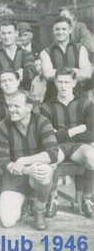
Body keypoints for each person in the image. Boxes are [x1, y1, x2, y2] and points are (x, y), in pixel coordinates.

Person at [0, 90, 59, 230]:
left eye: (16, 106)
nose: (11, 110)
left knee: (44, 170)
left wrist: (23, 160)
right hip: (15, 176)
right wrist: (25, 170)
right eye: (10, 106)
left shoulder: (42, 122)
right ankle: (25, 202)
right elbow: (3, 160)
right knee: (7, 221)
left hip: (35, 174)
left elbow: (53, 154)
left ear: (29, 107)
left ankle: (39, 210)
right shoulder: (2, 126)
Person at [40, 67, 94, 219]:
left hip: (79, 148)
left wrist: (61, 134)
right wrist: (75, 130)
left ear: (74, 83)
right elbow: (47, 137)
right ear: (55, 83)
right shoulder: (46, 107)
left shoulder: (86, 104)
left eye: (67, 82)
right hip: (58, 147)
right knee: (51, 158)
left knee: (92, 157)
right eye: (60, 82)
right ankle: (53, 199)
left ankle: (87, 199)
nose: (63, 86)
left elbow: (92, 133)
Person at [40, 16, 92, 102]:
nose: (60, 32)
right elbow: (48, 74)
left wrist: (57, 73)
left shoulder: (80, 49)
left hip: (77, 97)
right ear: (53, 31)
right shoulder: (46, 52)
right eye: (57, 29)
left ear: (70, 30)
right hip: (53, 98)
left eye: (64, 29)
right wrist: (75, 71)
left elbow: (87, 73)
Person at [0, 20, 37, 96]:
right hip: (1, 101)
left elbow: (30, 74)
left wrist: (1, 76)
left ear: (16, 34)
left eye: (9, 33)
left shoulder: (26, 54)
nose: (6, 36)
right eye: (3, 33)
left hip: (23, 99)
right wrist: (19, 75)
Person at [0, 69, 20, 134]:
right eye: (4, 81)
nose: (7, 83)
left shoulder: (29, 99)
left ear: (18, 82)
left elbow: (37, 125)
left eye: (10, 80)